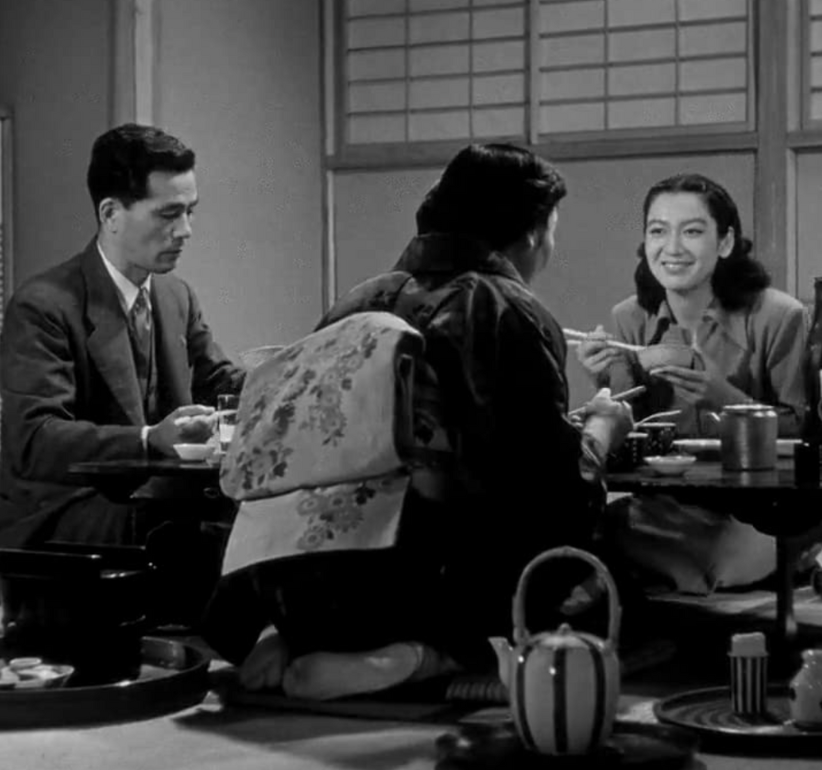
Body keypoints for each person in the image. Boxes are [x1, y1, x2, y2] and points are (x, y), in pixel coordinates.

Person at [205, 143, 633, 700]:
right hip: (433, 583)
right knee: (607, 577)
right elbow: (550, 486)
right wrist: (601, 430)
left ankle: (293, 638)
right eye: (550, 230)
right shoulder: (508, 307)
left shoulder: (359, 302)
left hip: (302, 578)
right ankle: (424, 657)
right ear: (530, 233)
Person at [0, 124, 245, 611]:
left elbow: (222, 380)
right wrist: (149, 439)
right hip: (56, 510)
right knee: (185, 531)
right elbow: (36, 438)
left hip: (145, 496)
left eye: (189, 212)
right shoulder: (44, 305)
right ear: (111, 214)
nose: (185, 231)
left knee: (246, 506)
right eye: (168, 214)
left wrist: (298, 378)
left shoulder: (174, 296)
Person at [576, 172, 807, 594]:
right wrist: (604, 377)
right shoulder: (630, 317)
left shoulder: (779, 316)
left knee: (721, 552)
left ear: (725, 242)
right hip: (665, 504)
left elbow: (804, 429)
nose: (673, 248)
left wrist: (727, 399)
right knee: (585, 529)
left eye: (693, 231)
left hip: (756, 509)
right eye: (658, 231)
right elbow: (635, 433)